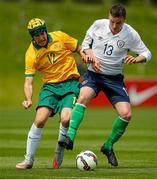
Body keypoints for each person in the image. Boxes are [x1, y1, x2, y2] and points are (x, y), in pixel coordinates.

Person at [64, 4, 152, 167]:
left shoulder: (130, 34)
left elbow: (147, 53)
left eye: (118, 23)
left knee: (126, 114)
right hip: (93, 75)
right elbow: (85, 46)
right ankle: (69, 137)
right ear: (108, 17)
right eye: (112, 21)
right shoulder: (98, 25)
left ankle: (108, 146)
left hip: (114, 80)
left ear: (124, 20)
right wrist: (89, 55)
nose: (114, 26)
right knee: (83, 96)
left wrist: (136, 59)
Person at [16, 18, 83, 169]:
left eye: (42, 32)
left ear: (45, 30)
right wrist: (27, 98)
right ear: (32, 37)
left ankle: (59, 150)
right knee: (40, 120)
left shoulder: (60, 36)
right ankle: (28, 161)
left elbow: (78, 47)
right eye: (37, 35)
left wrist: (84, 55)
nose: (41, 37)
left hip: (70, 84)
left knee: (66, 119)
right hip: (50, 87)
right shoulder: (31, 54)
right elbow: (28, 81)